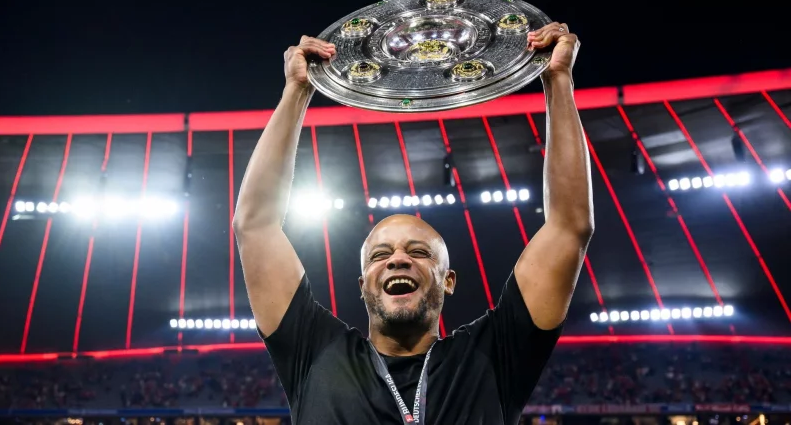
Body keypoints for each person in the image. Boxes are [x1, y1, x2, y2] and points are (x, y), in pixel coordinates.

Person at [233, 22, 593, 424]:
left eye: (419, 252)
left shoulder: (493, 356)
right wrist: (296, 92)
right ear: (362, 284)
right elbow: (255, 226)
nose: (397, 260)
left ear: (448, 280)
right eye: (380, 255)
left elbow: (569, 227)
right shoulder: (314, 351)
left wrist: (558, 80)